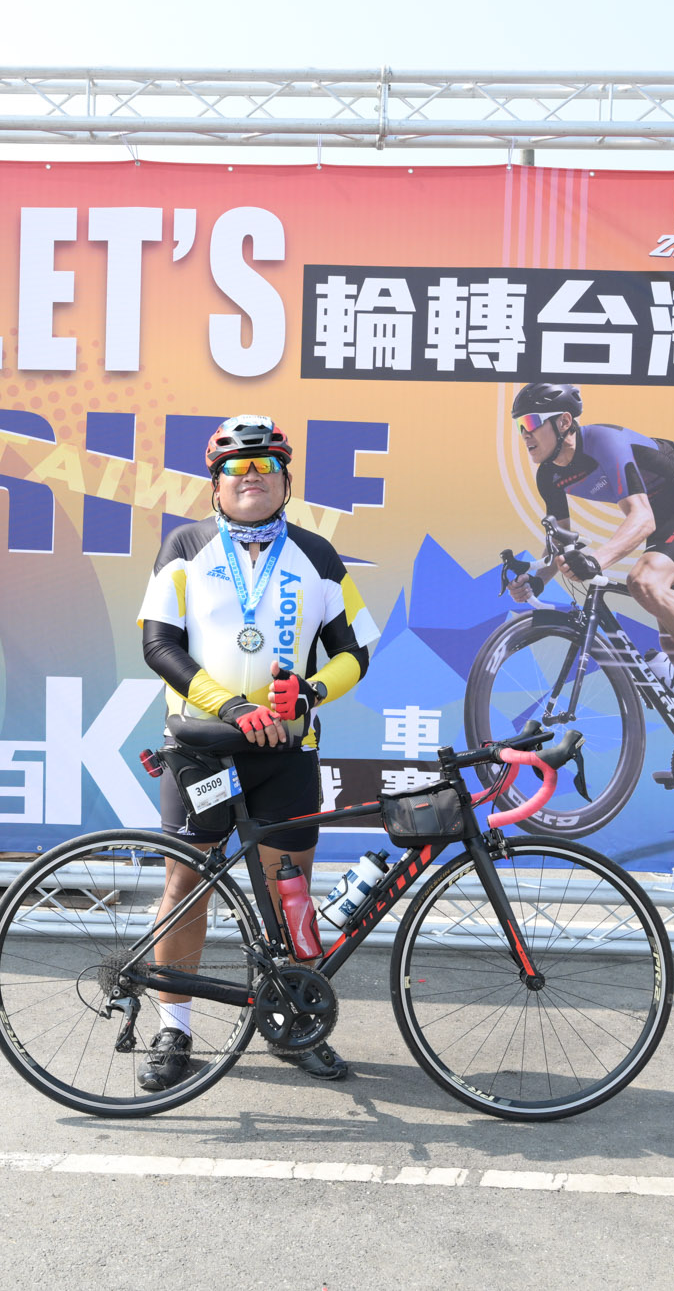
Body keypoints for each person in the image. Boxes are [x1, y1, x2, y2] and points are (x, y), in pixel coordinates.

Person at [133, 415, 379, 1092]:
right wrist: (231, 706)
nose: (251, 478)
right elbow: (158, 644)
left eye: (265, 466)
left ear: (286, 481)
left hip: (286, 750)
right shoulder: (184, 547)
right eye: (236, 469)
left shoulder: (317, 555)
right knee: (185, 888)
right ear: (214, 484)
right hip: (203, 749)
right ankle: (174, 1028)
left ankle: (291, 1020)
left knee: (288, 889)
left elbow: (355, 651)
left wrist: (310, 692)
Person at [505, 381, 674, 747]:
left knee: (644, 581)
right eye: (519, 425)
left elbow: (641, 518)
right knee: (671, 634)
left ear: (564, 421)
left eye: (532, 422)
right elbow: (560, 541)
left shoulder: (603, 442)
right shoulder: (548, 475)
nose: (525, 433)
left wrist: (596, 559)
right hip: (665, 520)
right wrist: (538, 578)